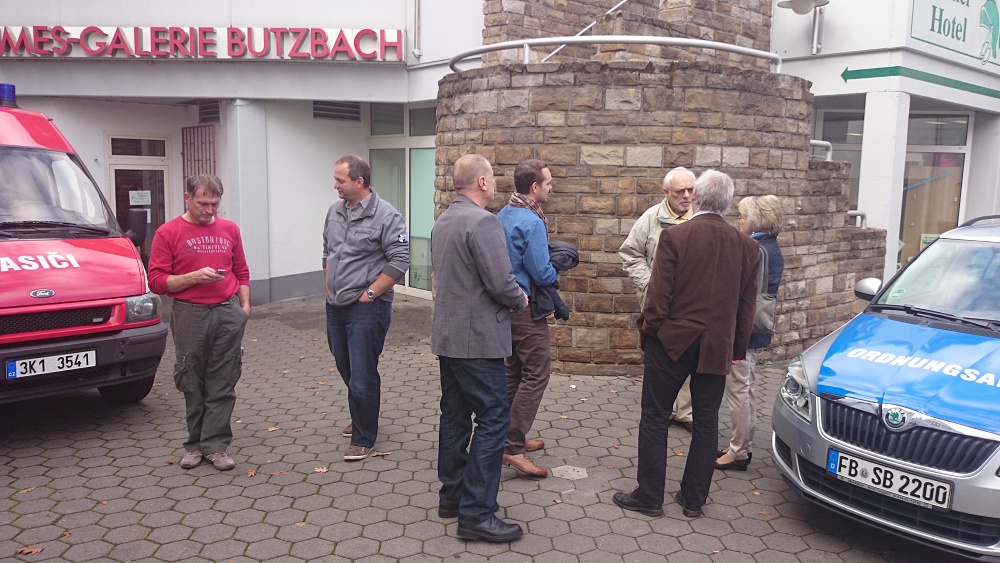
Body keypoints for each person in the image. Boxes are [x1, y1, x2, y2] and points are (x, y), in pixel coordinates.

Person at [613, 169, 759, 518]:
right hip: (716, 345)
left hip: (672, 342)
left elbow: (658, 296)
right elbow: (746, 307)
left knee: (654, 415)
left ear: (697, 198)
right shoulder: (748, 247)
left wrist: (650, 331)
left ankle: (650, 496)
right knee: (707, 421)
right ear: (727, 203)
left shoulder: (676, 237)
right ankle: (693, 499)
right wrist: (736, 350)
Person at [431, 154, 528, 542]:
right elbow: (501, 282)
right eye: (493, 176)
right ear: (483, 182)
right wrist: (520, 299)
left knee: (454, 415)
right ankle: (476, 513)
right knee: (494, 418)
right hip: (478, 340)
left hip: (449, 337)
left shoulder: (443, 221)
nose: (495, 182)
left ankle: (452, 498)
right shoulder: (483, 222)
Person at [147, 174, 251, 472]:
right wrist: (193, 277)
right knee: (191, 379)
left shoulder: (229, 229)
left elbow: (242, 271)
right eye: (203, 203)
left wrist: (244, 307)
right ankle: (195, 445)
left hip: (228, 312)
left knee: (224, 379)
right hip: (190, 314)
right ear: (187, 198)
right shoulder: (168, 232)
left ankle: (216, 446)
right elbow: (156, 281)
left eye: (215, 204)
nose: (209, 210)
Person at [322, 155, 410, 461]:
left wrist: (370, 294)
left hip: (367, 308)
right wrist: (329, 288)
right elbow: (327, 252)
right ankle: (363, 411)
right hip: (335, 305)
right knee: (344, 365)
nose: (335, 185)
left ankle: (363, 437)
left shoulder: (387, 215)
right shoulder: (334, 211)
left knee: (362, 373)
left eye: (340, 180)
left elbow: (400, 260)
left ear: (359, 181)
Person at [619, 167, 698, 433]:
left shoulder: (701, 218)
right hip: (659, 304)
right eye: (679, 191)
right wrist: (650, 284)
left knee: (688, 354)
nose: (686, 196)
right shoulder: (651, 218)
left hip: (691, 303)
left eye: (690, 190)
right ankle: (662, 410)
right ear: (666, 192)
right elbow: (630, 253)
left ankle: (684, 413)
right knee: (661, 356)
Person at [497, 159, 559, 478]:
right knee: (537, 372)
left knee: (514, 371)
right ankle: (512, 446)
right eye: (547, 183)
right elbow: (541, 271)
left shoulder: (503, 213)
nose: (551, 188)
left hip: (503, 306)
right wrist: (557, 268)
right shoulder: (532, 221)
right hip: (524, 308)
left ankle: (503, 439)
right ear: (534, 187)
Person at [716, 195, 785, 471]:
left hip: (743, 331)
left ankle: (739, 451)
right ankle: (742, 444)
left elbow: (742, 294)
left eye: (743, 217)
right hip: (754, 329)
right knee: (746, 388)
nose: (739, 221)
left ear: (756, 221)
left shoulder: (754, 249)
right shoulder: (771, 247)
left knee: (739, 390)